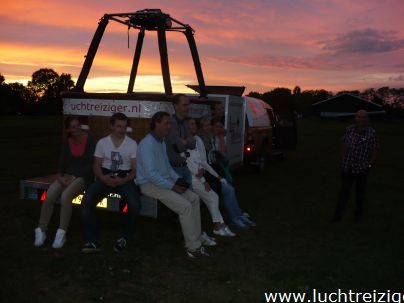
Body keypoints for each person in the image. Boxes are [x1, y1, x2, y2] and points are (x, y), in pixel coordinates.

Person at [137, 111, 211, 258]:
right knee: (185, 207)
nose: (169, 126)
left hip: (164, 181)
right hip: (149, 184)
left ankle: (196, 236)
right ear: (156, 123)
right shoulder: (147, 144)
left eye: (170, 123)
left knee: (194, 198)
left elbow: (167, 166)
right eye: (166, 123)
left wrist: (177, 179)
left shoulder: (161, 142)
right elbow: (151, 174)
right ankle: (193, 248)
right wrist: (172, 186)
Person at [81, 113, 140, 253]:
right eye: (118, 126)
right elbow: (96, 165)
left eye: (124, 126)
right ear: (111, 125)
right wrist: (103, 178)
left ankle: (125, 237)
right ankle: (91, 240)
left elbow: (134, 170)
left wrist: (123, 180)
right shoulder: (102, 142)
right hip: (105, 176)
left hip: (124, 178)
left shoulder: (132, 144)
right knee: (86, 200)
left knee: (135, 203)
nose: (122, 129)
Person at [34, 116, 96, 248]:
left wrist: (74, 177)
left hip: (84, 176)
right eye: (73, 127)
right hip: (67, 175)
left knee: (66, 196)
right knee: (50, 195)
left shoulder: (90, 139)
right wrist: (60, 175)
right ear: (68, 130)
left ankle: (61, 233)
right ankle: (41, 230)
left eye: (78, 125)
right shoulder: (68, 142)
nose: (77, 128)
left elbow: (91, 164)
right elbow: (62, 162)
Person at [198, 116, 256, 229]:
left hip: (213, 173)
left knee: (230, 188)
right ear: (200, 128)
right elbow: (203, 162)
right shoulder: (199, 140)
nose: (208, 127)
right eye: (205, 125)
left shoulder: (210, 138)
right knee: (229, 190)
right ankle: (235, 218)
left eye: (209, 125)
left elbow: (214, 158)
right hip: (205, 176)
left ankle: (238, 215)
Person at [184, 118, 236, 237]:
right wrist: (202, 179)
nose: (193, 125)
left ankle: (220, 225)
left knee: (213, 197)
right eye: (190, 123)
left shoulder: (198, 140)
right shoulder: (183, 141)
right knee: (213, 197)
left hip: (199, 177)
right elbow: (186, 163)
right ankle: (219, 226)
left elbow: (203, 162)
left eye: (194, 123)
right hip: (190, 178)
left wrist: (217, 176)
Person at [331, 110, 378, 222]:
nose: (361, 119)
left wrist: (369, 164)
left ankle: (358, 217)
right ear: (355, 118)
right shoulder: (349, 129)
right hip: (347, 167)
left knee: (360, 194)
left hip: (362, 168)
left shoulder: (371, 133)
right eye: (359, 117)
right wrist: (343, 158)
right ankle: (337, 216)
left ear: (367, 119)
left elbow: (375, 150)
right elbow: (343, 144)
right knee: (343, 193)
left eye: (364, 117)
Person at [165, 94, 195, 185]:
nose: (187, 108)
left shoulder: (185, 122)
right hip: (174, 169)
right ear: (176, 106)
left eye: (188, 105)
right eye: (184, 105)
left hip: (184, 167)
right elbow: (179, 147)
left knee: (190, 197)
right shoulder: (171, 123)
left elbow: (193, 144)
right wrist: (186, 141)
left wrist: (184, 141)